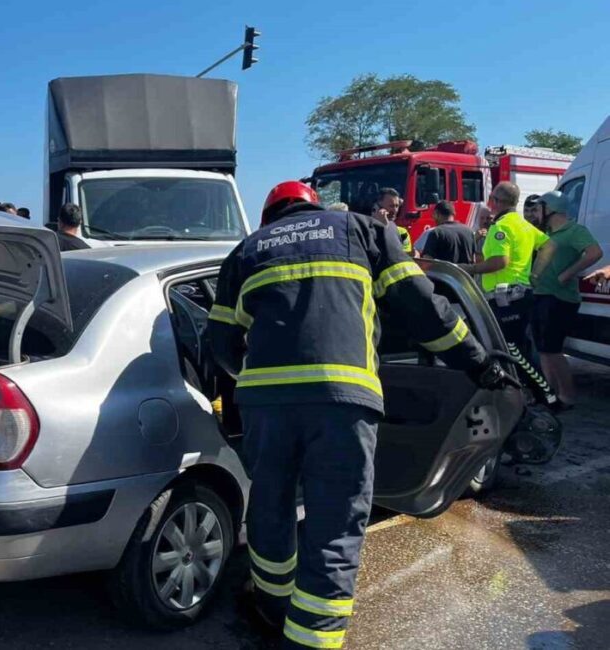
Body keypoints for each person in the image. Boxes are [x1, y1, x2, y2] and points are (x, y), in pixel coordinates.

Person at [208, 181, 504, 649]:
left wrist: (252, 374)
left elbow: (219, 344)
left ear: (269, 217)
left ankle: (271, 604)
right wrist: (477, 361)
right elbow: (423, 308)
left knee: (270, 505)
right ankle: (310, 641)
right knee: (335, 523)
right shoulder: (361, 230)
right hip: (343, 402)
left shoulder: (247, 250)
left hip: (266, 407)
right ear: (314, 206)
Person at [530, 191, 603, 406]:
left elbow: (594, 252)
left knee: (553, 350)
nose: (534, 213)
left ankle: (567, 396)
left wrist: (567, 274)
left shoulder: (574, 230)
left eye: (538, 208)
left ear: (550, 209)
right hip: (540, 295)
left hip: (560, 298)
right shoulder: (546, 233)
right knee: (543, 350)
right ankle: (549, 394)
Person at [458, 181, 548, 351]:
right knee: (519, 349)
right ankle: (524, 378)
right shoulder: (525, 225)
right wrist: (535, 274)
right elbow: (549, 245)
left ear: (496, 201)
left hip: (505, 298)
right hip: (521, 294)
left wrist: (470, 268)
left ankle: (525, 378)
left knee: (508, 350)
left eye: (492, 199)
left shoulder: (501, 226)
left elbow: (500, 261)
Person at [372, 187, 411, 253]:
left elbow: (404, 255)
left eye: (397, 206)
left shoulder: (402, 232)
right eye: (391, 206)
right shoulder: (366, 230)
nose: (395, 210)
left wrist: (386, 227)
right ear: (377, 208)